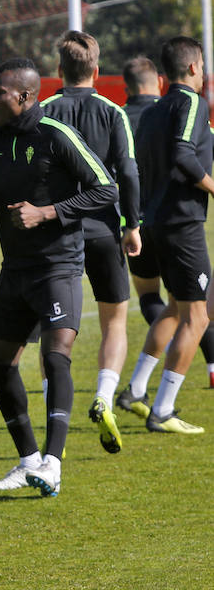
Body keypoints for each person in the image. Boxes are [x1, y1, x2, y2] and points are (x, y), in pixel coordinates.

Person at [0, 59, 117, 497]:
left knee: (55, 356)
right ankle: (28, 460)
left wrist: (47, 212)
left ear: (26, 97)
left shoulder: (56, 135)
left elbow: (106, 188)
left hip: (58, 265)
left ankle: (53, 463)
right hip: (14, 267)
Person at [39, 30, 141, 454]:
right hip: (103, 231)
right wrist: (132, 225)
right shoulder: (114, 113)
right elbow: (128, 174)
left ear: (59, 70)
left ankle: (53, 415)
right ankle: (104, 393)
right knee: (114, 320)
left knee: (55, 331)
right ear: (97, 71)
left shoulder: (42, 111)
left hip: (57, 234)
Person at [117, 36, 212, 434]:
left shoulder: (154, 111)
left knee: (174, 309)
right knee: (199, 315)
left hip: (153, 222)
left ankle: (135, 391)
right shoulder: (191, 102)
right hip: (180, 224)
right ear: (192, 68)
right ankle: (163, 410)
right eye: (203, 64)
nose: (204, 71)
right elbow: (183, 154)